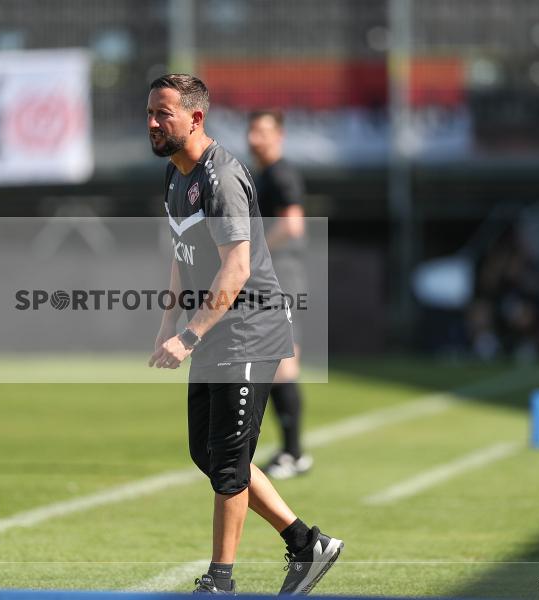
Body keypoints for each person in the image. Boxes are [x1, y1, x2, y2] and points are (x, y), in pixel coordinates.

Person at [146, 74, 342, 596]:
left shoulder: (222, 177)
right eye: (150, 113)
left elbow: (234, 268)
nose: (153, 122)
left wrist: (188, 335)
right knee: (207, 454)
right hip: (213, 332)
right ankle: (306, 544)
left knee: (228, 461)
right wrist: (169, 321)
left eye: (163, 113)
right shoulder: (174, 174)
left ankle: (220, 579)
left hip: (249, 330)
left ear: (195, 118)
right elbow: (182, 254)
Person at [246, 109, 313, 479]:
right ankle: (291, 451)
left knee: (283, 366)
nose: (256, 137)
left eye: (264, 131)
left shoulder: (281, 174)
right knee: (275, 366)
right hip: (272, 278)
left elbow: (293, 225)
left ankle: (293, 453)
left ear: (280, 136)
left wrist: (253, 250)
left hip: (282, 277)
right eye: (252, 130)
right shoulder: (262, 174)